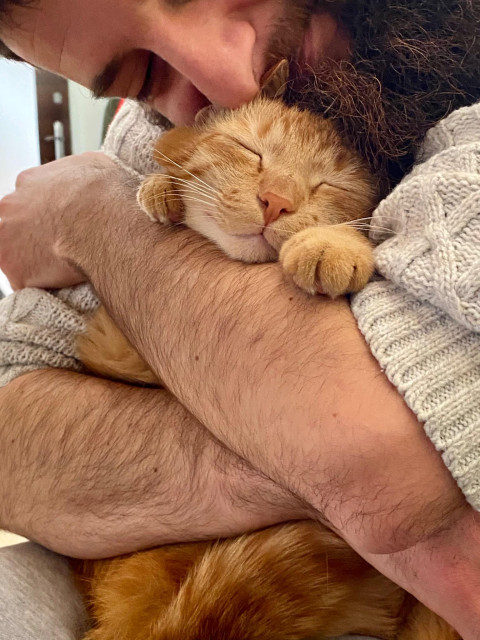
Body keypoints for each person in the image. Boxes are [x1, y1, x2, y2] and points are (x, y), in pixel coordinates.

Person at [0, 0, 478, 638]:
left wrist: (88, 211)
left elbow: (395, 476)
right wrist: (307, 451)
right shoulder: (171, 126)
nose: (228, 85)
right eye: (142, 75)